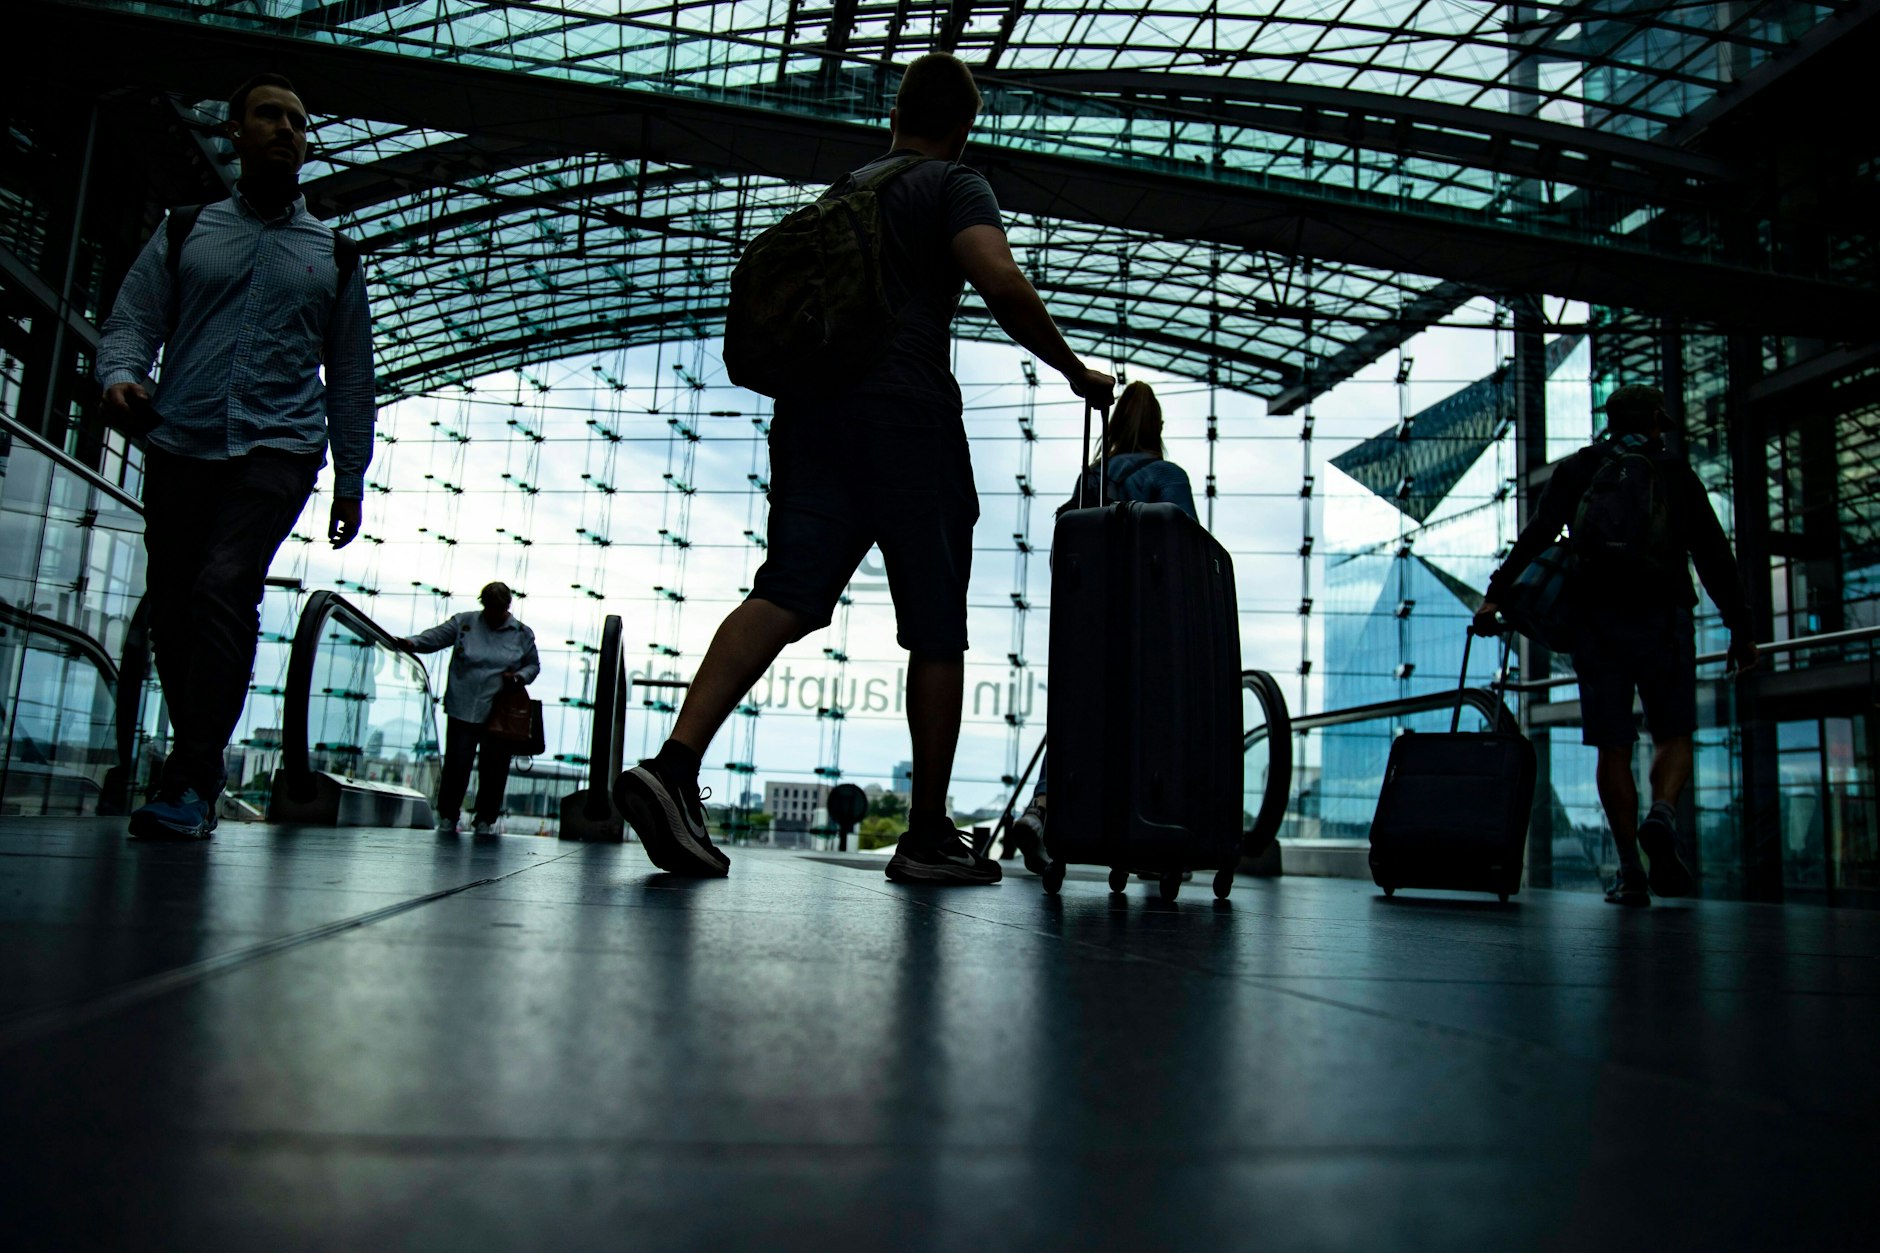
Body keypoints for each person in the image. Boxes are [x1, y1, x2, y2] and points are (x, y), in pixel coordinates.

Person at [614, 53, 1115, 883]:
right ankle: (925, 835)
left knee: (784, 591)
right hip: (905, 412)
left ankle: (672, 764)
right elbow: (998, 276)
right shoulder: (952, 184)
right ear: (963, 128)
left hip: (811, 414)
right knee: (937, 625)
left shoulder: (848, 190)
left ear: (895, 114)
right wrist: (1071, 369)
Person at [97, 72, 374, 840]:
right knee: (176, 605)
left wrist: (350, 476)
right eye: (270, 115)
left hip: (279, 447)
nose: (287, 128)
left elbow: (351, 378)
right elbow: (131, 322)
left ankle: (188, 775)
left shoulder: (337, 258)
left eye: (297, 118)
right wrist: (121, 376)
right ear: (235, 132)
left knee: (224, 586)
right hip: (182, 439)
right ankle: (202, 762)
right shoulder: (185, 230)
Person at [1473, 385, 1758, 906]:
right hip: (1663, 618)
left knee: (1613, 746)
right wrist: (1740, 629)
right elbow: (1715, 556)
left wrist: (1495, 595)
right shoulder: (1673, 474)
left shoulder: (1578, 469)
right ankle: (1662, 815)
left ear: (1609, 419)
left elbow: (1537, 534)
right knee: (1672, 734)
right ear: (1655, 419)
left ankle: (1630, 871)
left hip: (1596, 622)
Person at [1010, 381, 1197, 867]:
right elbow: (1185, 548)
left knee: (1079, 716)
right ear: (1158, 428)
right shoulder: (1167, 474)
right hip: (1148, 626)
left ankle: (1043, 809)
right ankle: (1154, 822)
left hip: (1087, 623)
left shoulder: (1090, 478)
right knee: (1153, 717)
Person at [401, 583, 541, 835]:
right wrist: (412, 643)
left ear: (507, 607)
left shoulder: (521, 633)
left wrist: (519, 677)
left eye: (498, 609)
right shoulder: (464, 624)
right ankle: (448, 815)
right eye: (489, 608)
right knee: (457, 763)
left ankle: (485, 818)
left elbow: (533, 666)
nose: (493, 613)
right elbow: (435, 637)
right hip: (462, 706)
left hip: (499, 712)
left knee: (494, 769)